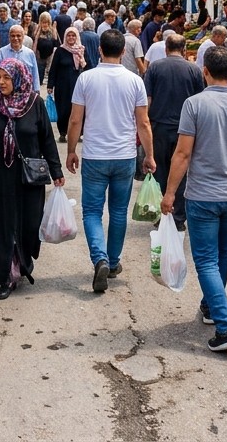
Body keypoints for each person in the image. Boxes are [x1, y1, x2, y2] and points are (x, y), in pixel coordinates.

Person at [161, 46, 227, 351]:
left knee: (206, 259)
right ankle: (210, 306)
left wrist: (169, 194)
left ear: (204, 71)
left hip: (203, 196)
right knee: (221, 254)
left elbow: (182, 153)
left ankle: (225, 325)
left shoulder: (193, 105)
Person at [66, 29, 156, 293]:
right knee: (118, 212)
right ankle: (113, 261)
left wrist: (72, 150)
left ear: (99, 50)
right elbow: (143, 122)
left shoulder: (86, 79)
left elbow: (75, 120)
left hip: (95, 155)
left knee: (92, 212)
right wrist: (149, 155)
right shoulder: (135, 81)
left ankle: (100, 258)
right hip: (124, 156)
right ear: (124, 51)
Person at [0, 58, 64, 299]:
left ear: (19, 77)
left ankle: (22, 262)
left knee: (30, 225)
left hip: (29, 179)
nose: (1, 82)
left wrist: (57, 172)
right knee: (2, 227)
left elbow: (47, 141)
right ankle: (6, 275)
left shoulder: (34, 103)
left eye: (6, 77)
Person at [144, 34, 205, 230]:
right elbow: (199, 102)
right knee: (181, 172)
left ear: (165, 48)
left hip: (159, 127)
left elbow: (148, 100)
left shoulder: (154, 67)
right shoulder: (194, 70)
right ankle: (178, 217)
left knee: (160, 171)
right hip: (185, 130)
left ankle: (161, 214)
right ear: (185, 49)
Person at [47, 27, 86, 142]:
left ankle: (77, 133)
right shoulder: (60, 50)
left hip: (77, 85)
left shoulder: (81, 50)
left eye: (73, 35)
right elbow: (53, 68)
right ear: (65, 37)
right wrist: (50, 85)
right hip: (62, 86)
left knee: (78, 109)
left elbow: (87, 67)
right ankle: (63, 132)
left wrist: (82, 61)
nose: (71, 38)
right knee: (63, 109)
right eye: (69, 35)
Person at [0, 24, 40, 93]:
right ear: (9, 37)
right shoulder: (1, 52)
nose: (15, 38)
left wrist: (36, 90)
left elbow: (35, 74)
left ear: (23, 37)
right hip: (6, 92)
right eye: (13, 36)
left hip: (25, 93)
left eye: (18, 36)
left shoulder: (30, 53)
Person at [34, 12, 59, 87]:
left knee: (49, 69)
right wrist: (39, 28)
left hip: (50, 54)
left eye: (47, 22)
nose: (45, 24)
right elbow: (35, 39)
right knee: (40, 69)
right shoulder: (38, 29)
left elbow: (55, 40)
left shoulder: (51, 30)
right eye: (43, 22)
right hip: (39, 54)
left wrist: (54, 29)